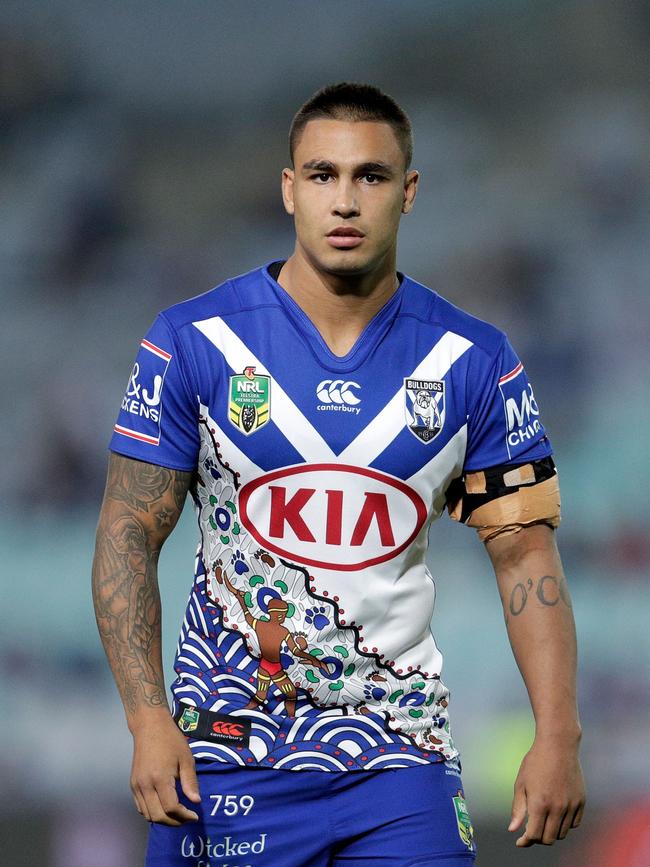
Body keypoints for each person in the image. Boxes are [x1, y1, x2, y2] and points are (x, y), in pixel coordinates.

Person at [92, 82, 585, 866]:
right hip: (226, 756)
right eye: (322, 175)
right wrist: (149, 720)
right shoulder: (194, 342)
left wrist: (557, 734)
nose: (345, 200)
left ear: (409, 191)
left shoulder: (476, 362)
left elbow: (527, 557)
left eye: (372, 176)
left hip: (401, 759)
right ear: (289, 189)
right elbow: (125, 534)